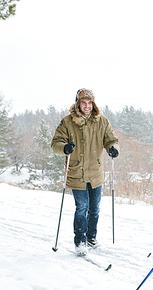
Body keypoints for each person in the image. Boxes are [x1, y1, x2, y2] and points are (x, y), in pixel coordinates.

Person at [51, 88, 119, 256]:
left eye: (90, 103)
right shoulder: (67, 122)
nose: (87, 106)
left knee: (94, 209)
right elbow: (56, 144)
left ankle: (91, 238)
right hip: (76, 173)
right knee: (82, 207)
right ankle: (80, 242)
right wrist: (64, 148)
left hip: (96, 173)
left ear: (93, 104)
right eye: (83, 102)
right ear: (78, 103)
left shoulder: (102, 121)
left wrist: (113, 148)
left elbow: (111, 139)